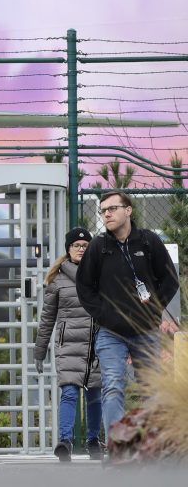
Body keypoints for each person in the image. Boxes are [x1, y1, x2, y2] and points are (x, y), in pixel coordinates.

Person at [75, 191, 179, 450]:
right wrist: (106, 315)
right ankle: (118, 451)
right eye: (103, 211)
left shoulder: (148, 242)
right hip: (111, 334)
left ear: (128, 210)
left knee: (152, 391)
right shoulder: (98, 247)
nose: (106, 214)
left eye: (112, 208)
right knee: (112, 386)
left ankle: (151, 450)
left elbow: (170, 280)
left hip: (146, 332)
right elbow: (85, 288)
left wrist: (154, 311)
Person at [34, 227, 103, 462]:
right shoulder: (57, 280)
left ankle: (94, 441)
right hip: (68, 345)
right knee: (70, 393)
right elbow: (47, 318)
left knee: (95, 394)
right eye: (76, 245)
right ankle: (65, 441)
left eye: (85, 246)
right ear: (68, 249)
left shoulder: (101, 276)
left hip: (96, 344)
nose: (81, 249)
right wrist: (39, 351)